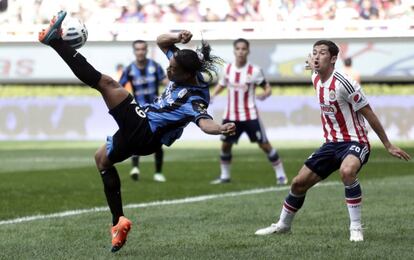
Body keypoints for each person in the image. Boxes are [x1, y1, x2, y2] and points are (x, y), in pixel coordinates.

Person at [38, 11, 236, 253]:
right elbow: (162, 41)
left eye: (173, 70)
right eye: (169, 65)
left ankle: (55, 41)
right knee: (101, 160)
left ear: (187, 75)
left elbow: (205, 122)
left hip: (146, 131)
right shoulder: (183, 66)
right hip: (143, 133)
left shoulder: (195, 98)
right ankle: (118, 222)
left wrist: (221, 128)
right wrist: (178, 36)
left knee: (106, 84)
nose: (168, 70)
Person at [255, 40, 411, 242]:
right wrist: (312, 62)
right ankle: (283, 225)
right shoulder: (316, 79)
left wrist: (388, 144)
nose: (317, 56)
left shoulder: (345, 84)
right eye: (314, 53)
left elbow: (369, 114)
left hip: (356, 141)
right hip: (331, 144)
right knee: (298, 184)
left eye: (322, 53)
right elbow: (313, 66)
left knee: (347, 172)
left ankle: (355, 227)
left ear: (334, 58)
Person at [210, 38, 288, 185]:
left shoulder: (255, 71)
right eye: (238, 49)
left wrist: (265, 94)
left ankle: (281, 175)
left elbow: (267, 87)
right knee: (226, 145)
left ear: (248, 51)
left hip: (250, 115)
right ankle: (225, 176)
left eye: (243, 49)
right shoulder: (227, 69)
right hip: (230, 115)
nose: (240, 51)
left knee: (264, 145)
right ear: (234, 51)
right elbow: (222, 84)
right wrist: (213, 95)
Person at [119, 40, 169, 182]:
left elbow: (167, 83)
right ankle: (135, 167)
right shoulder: (129, 69)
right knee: (136, 138)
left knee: (158, 139)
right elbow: (119, 87)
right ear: (134, 51)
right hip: (138, 109)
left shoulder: (155, 67)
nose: (140, 52)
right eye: (138, 49)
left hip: (155, 109)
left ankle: (158, 172)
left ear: (146, 50)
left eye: (143, 49)